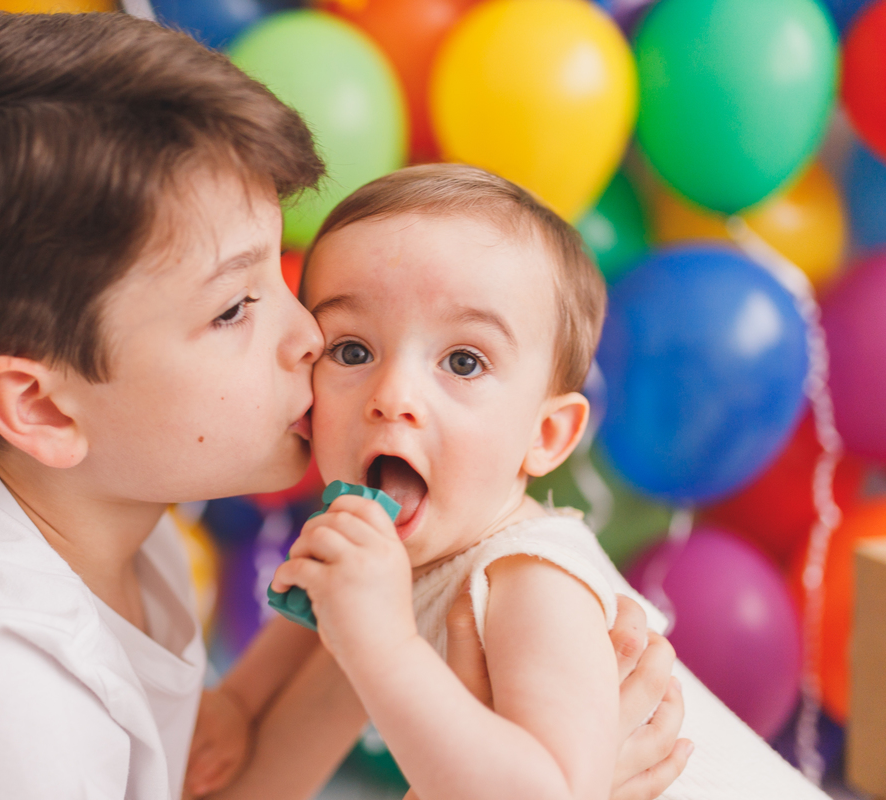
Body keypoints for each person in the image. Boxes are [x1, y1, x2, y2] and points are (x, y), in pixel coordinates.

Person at [0, 13, 682, 799]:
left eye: (280, 270)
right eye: (234, 307)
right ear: (46, 411)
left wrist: (397, 655)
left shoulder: (119, 532)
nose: (307, 335)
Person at [192, 165, 828, 800]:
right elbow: (313, 620)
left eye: (463, 362)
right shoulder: (395, 543)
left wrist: (384, 647)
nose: (393, 396)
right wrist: (237, 707)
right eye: (353, 351)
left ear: (545, 436)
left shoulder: (530, 579)